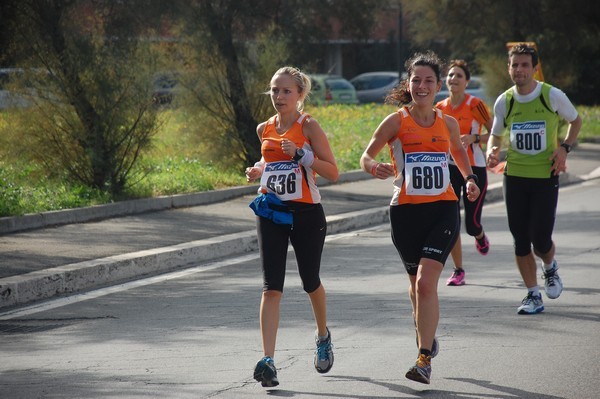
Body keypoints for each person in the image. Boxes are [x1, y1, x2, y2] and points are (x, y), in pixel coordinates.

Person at [360, 51, 480, 384]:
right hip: (405, 213)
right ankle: (425, 335)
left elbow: (458, 152)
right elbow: (366, 155)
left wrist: (469, 179)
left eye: (429, 81)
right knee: (415, 286)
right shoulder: (396, 121)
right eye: (416, 80)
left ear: (439, 85)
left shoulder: (448, 123)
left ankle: (424, 358)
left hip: (442, 209)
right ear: (408, 84)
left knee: (427, 285)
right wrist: (373, 167)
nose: (422, 86)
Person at [245, 66, 339, 387]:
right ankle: (268, 360)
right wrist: (258, 170)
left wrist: (302, 155)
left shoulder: (308, 125)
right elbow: (270, 161)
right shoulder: (264, 128)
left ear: (300, 94)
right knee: (271, 287)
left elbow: (332, 171)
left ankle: (323, 335)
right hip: (271, 210)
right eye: (274, 90)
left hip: (306, 213)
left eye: (286, 91)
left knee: (310, 280)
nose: (279, 96)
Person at [487, 43, 582, 315]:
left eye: (525, 65)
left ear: (535, 68)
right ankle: (532, 295)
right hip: (514, 175)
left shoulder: (551, 95)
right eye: (514, 65)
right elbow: (496, 132)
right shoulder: (505, 100)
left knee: (540, 239)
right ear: (509, 68)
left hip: (544, 175)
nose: (519, 70)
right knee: (520, 240)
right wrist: (492, 150)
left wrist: (564, 149)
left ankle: (550, 267)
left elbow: (575, 121)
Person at [436, 60, 493, 286]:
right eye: (450, 75)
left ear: (466, 81)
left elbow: (495, 132)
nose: (454, 79)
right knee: (451, 221)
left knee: (471, 224)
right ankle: (458, 269)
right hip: (450, 168)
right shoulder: (439, 108)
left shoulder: (475, 105)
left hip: (474, 168)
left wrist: (474, 139)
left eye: (459, 76)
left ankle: (479, 235)